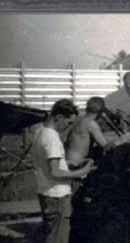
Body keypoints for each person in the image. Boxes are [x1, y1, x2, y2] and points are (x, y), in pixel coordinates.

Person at [32, 99, 95, 243]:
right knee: (59, 239)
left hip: (45, 192)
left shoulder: (39, 131)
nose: (68, 126)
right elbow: (56, 172)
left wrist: (67, 163)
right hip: (58, 196)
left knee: (51, 235)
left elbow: (47, 162)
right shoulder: (52, 137)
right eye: (69, 122)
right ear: (59, 117)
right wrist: (82, 172)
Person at [66, 96, 110, 167]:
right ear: (101, 111)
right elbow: (105, 145)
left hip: (69, 158)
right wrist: (121, 141)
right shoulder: (91, 123)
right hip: (77, 162)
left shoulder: (80, 119)